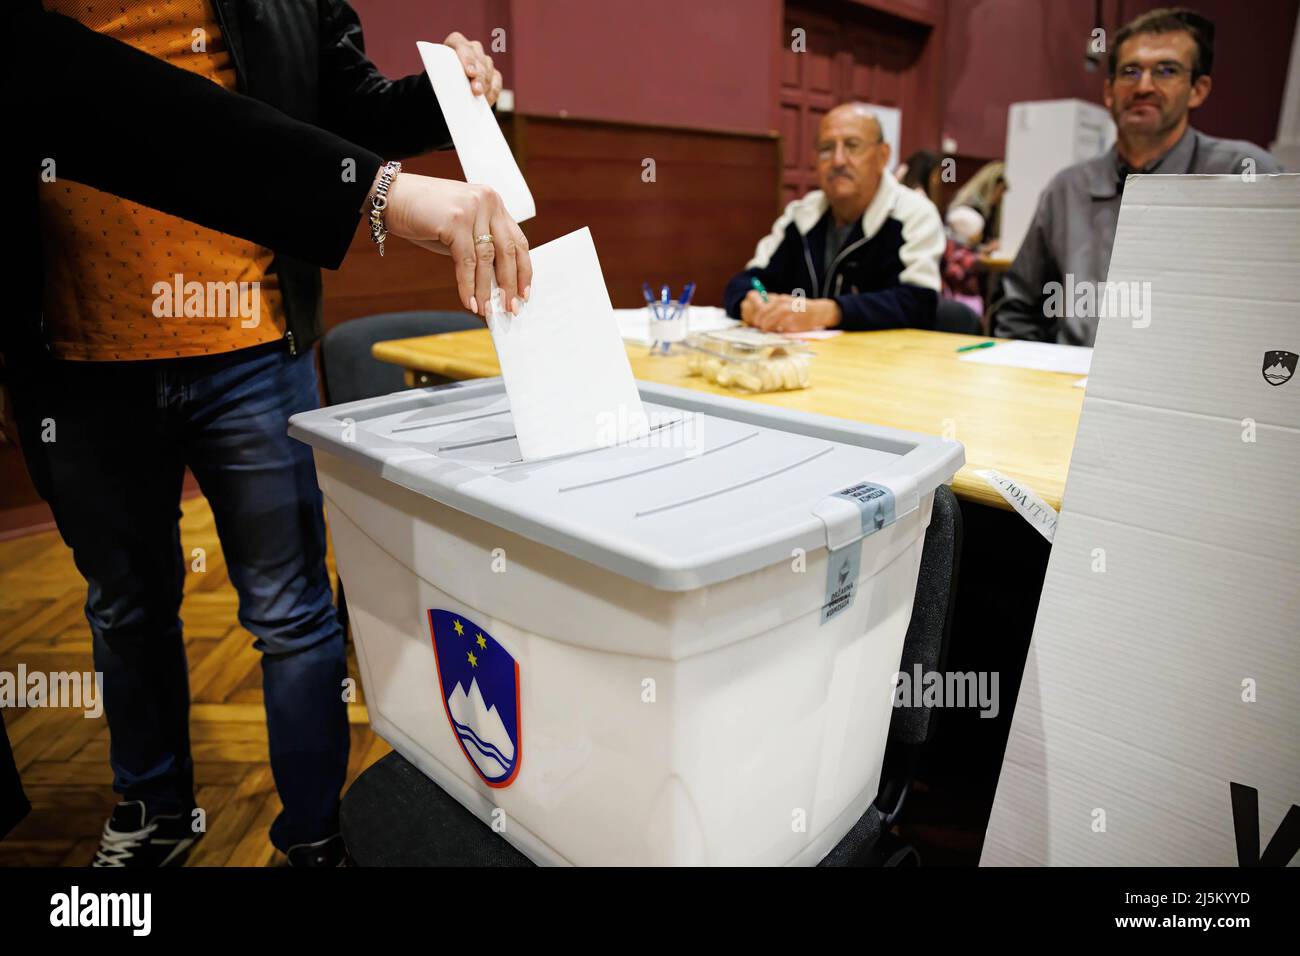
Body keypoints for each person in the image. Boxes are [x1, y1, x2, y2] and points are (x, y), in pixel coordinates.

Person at [9, 2, 529, 868]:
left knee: (291, 614)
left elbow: (353, 105)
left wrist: (451, 98)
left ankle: (315, 833)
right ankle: (155, 811)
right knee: (124, 610)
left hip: (251, 344)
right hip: (76, 351)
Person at [991, 7, 1281, 345]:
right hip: (1072, 383)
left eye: (1166, 70)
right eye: (1130, 72)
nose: (1144, 86)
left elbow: (1279, 311)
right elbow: (1018, 309)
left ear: (1198, 89)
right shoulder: (1066, 190)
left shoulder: (1245, 174)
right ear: (1109, 92)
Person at [723, 103, 945, 334]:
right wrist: (750, 303)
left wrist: (829, 312)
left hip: (883, 363)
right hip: (804, 358)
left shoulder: (914, 214)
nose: (838, 160)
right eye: (826, 148)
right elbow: (749, 280)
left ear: (883, 156)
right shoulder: (801, 215)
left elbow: (919, 304)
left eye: (852, 146)